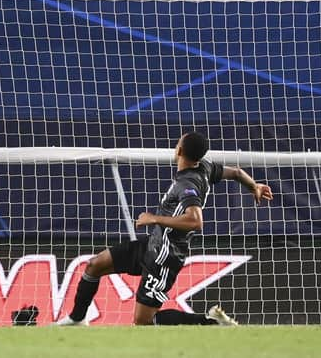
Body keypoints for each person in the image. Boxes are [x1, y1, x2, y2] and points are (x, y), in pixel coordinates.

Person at [57, 131, 273, 326]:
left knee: (143, 321)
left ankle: (211, 322)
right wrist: (254, 186)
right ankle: (77, 318)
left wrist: (154, 219)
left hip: (165, 256)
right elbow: (235, 172)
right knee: (96, 264)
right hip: (153, 244)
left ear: (179, 150)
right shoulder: (205, 167)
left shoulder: (187, 185)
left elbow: (195, 221)